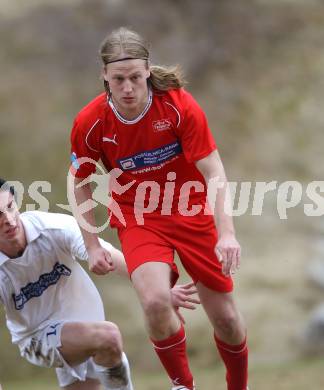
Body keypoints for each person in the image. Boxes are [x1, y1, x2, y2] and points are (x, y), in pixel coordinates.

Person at [70, 27, 248, 390]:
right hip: (138, 217)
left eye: (135, 77)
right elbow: (78, 181)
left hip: (190, 209)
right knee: (154, 301)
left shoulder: (179, 106)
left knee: (226, 320)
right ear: (104, 75)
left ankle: (239, 386)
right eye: (119, 79)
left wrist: (227, 233)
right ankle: (183, 384)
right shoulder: (91, 123)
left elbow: (213, 169)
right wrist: (91, 245)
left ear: (148, 70)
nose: (128, 88)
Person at [0, 179, 198, 390]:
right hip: (36, 338)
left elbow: (106, 255)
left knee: (103, 342)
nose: (10, 221)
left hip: (85, 329)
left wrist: (158, 291)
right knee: (109, 336)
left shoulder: (52, 228)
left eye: (10, 207)